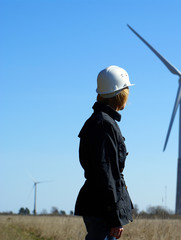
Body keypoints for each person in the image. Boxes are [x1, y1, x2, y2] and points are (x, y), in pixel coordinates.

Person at [75, 65, 134, 240]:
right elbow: (106, 173)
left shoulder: (101, 121)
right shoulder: (104, 125)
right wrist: (115, 218)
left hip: (100, 207)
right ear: (121, 93)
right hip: (102, 212)